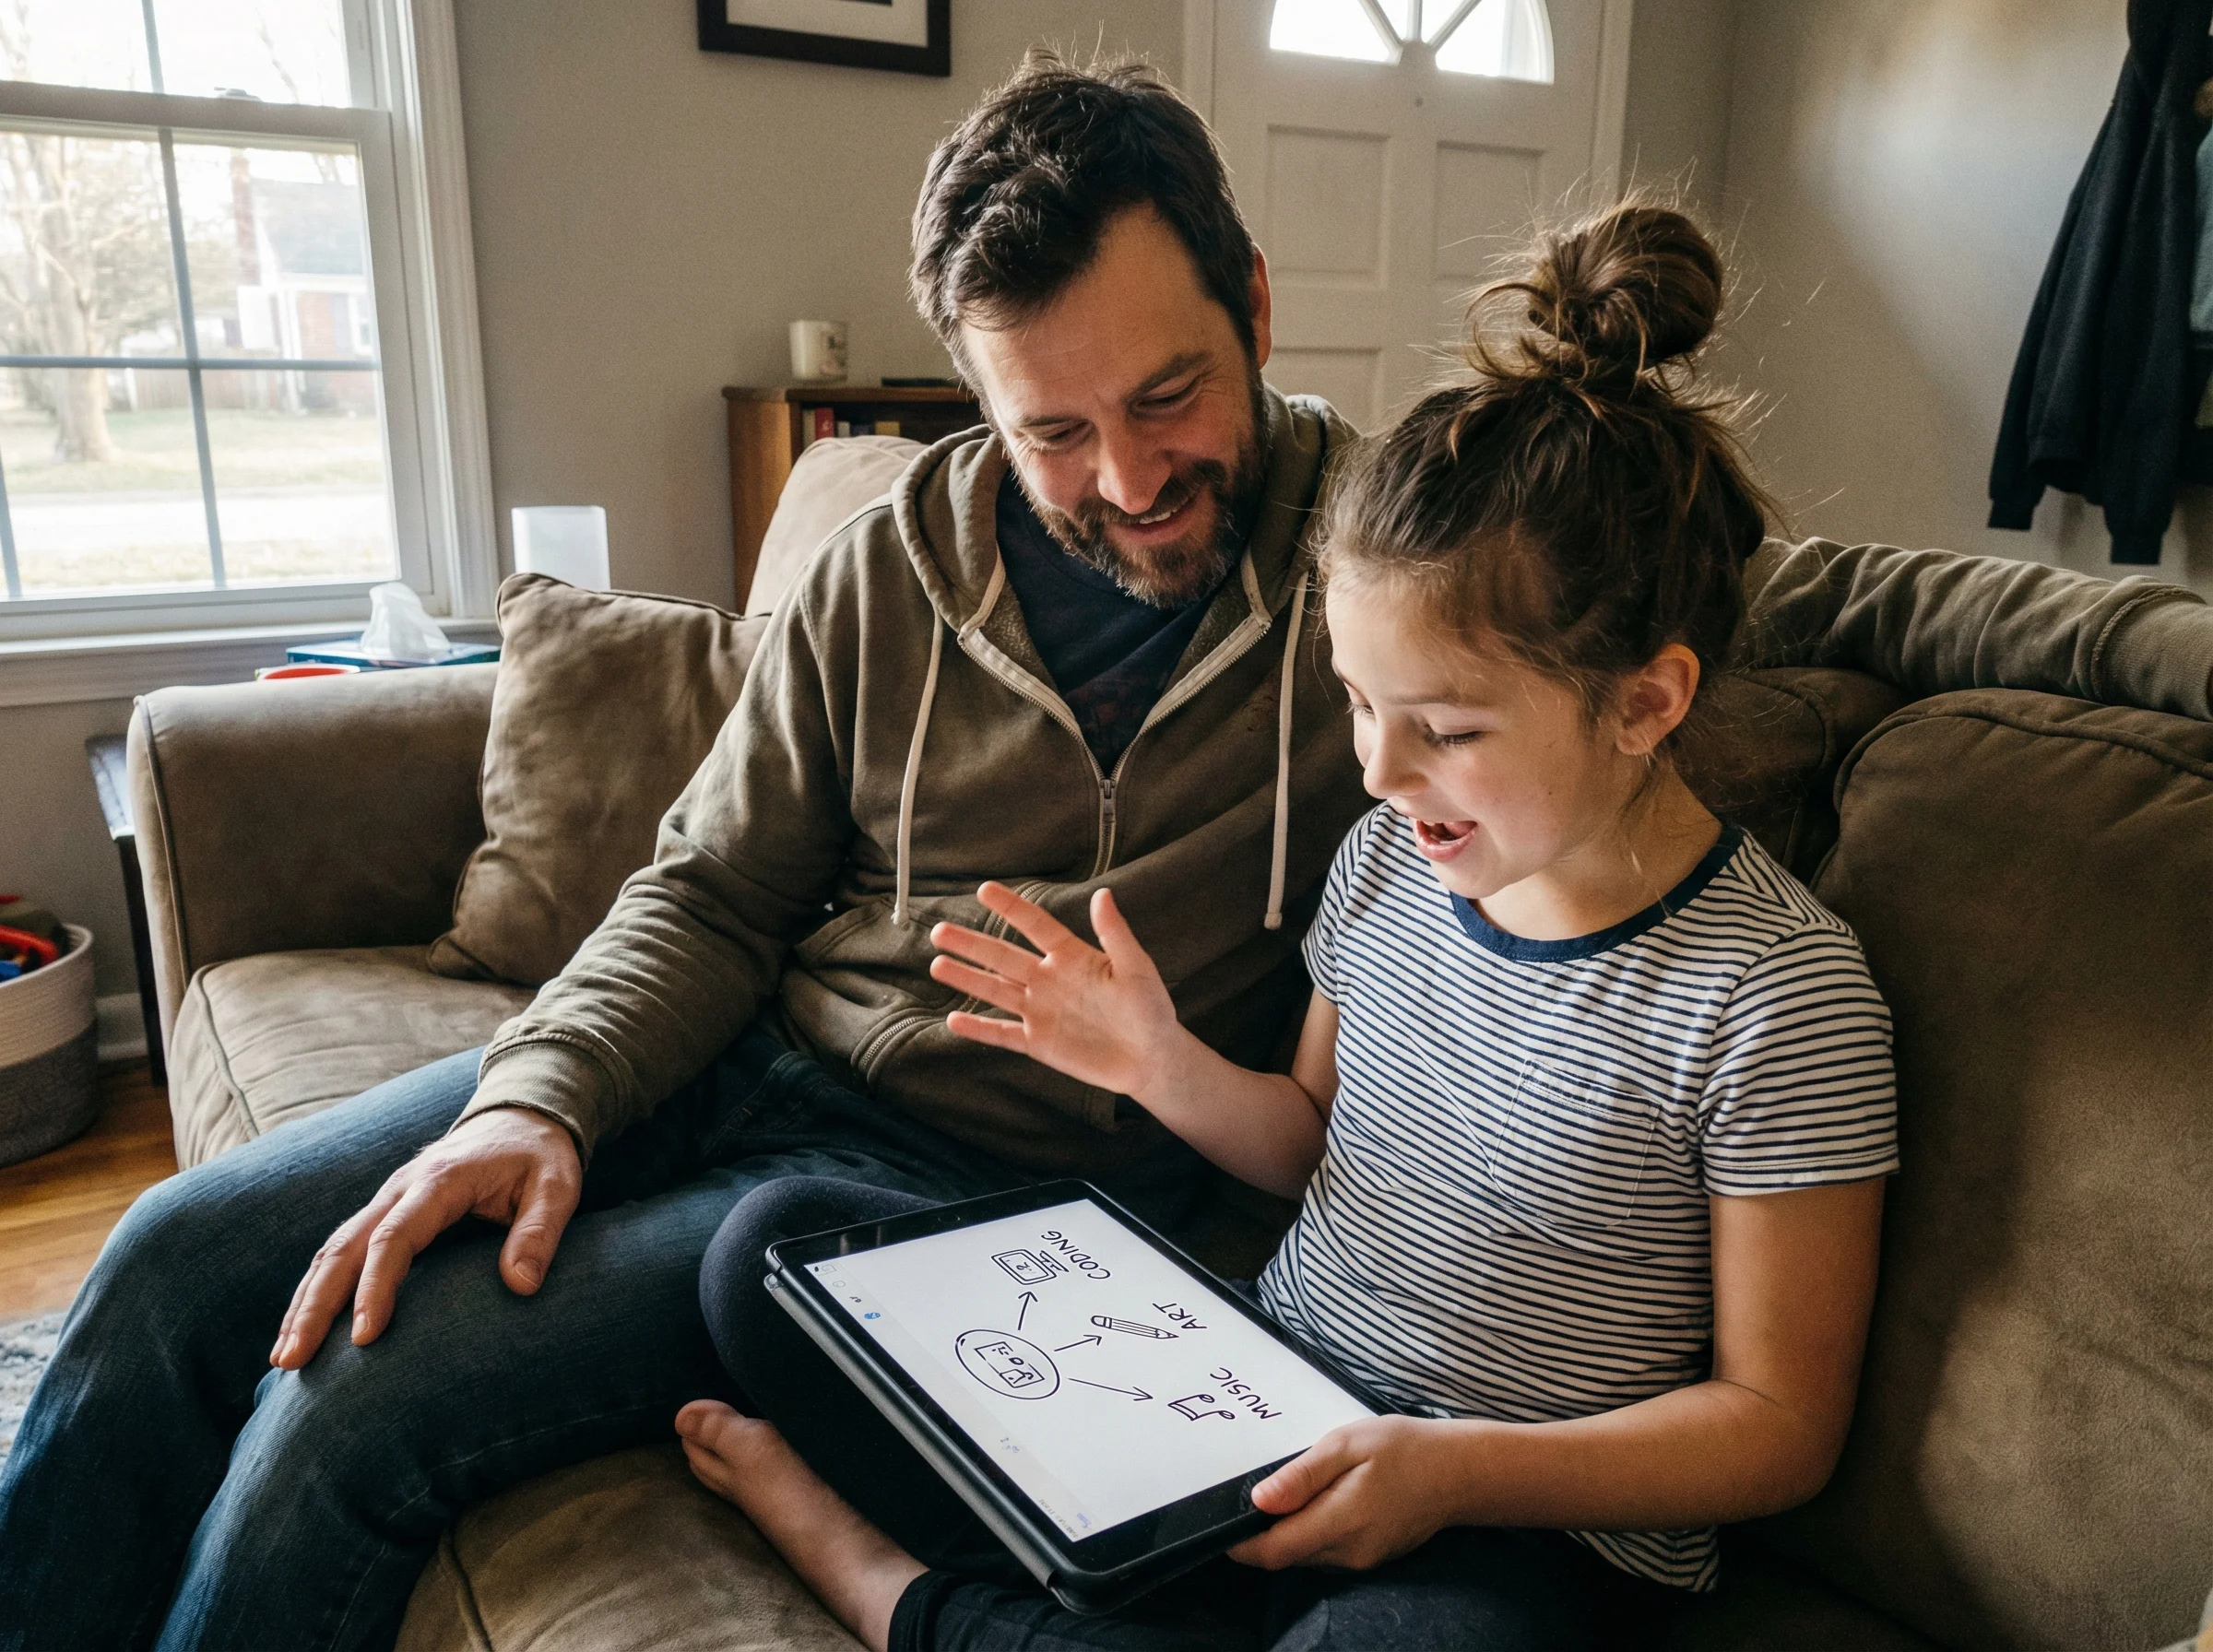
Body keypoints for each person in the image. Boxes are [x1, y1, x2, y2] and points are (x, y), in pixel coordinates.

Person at [1, 49, 2207, 1652]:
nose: (1129, 479)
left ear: (1254, 300)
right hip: (758, 1059)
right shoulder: (894, 559)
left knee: (344, 1410)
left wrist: (2163, 643)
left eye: (1167, 396)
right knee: (174, 1265)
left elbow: (1761, 583)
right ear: (975, 400)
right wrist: (540, 1096)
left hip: (1001, 1188)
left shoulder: (1401, 562)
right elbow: (709, 887)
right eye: (1050, 426)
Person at [676, 204, 1897, 1652]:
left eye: (1445, 730)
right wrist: (1157, 1062)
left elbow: (1779, 1427)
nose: (1378, 774)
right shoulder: (1389, 866)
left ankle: (889, 1589)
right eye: (1359, 706)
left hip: (1521, 1528)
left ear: (1647, 702)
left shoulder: (1778, 998)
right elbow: (1310, 1138)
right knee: (775, 1256)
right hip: (1264, 1401)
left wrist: (1450, 1473)